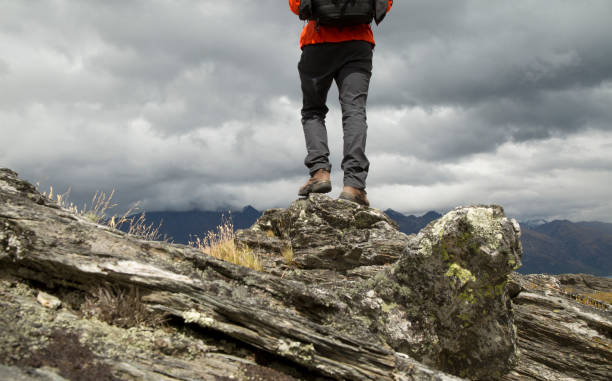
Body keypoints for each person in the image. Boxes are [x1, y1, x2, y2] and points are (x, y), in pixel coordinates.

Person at [289, 0, 393, 207]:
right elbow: (385, 5)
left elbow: (296, 5)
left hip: (317, 43)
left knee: (313, 111)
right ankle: (354, 185)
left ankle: (319, 172)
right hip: (358, 43)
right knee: (354, 110)